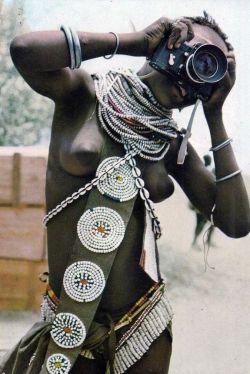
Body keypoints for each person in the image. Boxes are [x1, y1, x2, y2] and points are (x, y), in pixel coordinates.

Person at [2, 10, 250, 374]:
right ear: (167, 42)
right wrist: (135, 43)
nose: (196, 75)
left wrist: (215, 114)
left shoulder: (172, 144)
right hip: (69, 318)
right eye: (195, 53)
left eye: (209, 70)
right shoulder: (83, 95)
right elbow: (24, 50)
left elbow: (236, 222)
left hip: (141, 325)